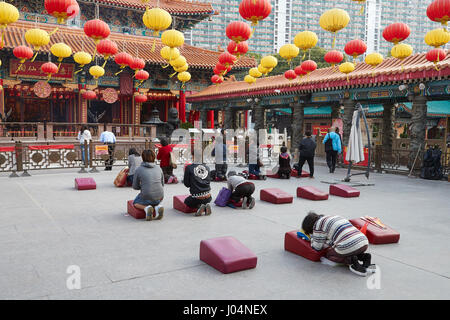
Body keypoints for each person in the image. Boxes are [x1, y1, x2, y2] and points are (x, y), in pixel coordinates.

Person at [301, 211, 375, 276]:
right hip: (364, 242)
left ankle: (352, 260)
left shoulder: (318, 225)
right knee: (347, 248)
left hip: (349, 245)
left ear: (309, 227)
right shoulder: (334, 217)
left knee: (330, 255)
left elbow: (317, 247)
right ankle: (364, 257)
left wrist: (312, 238)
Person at [132, 150, 165, 221]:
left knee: (135, 203)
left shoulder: (139, 169)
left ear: (143, 158)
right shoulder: (159, 168)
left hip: (147, 196)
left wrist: (143, 186)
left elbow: (135, 186)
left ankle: (146, 208)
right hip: (160, 197)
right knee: (152, 199)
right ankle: (157, 207)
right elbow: (162, 184)